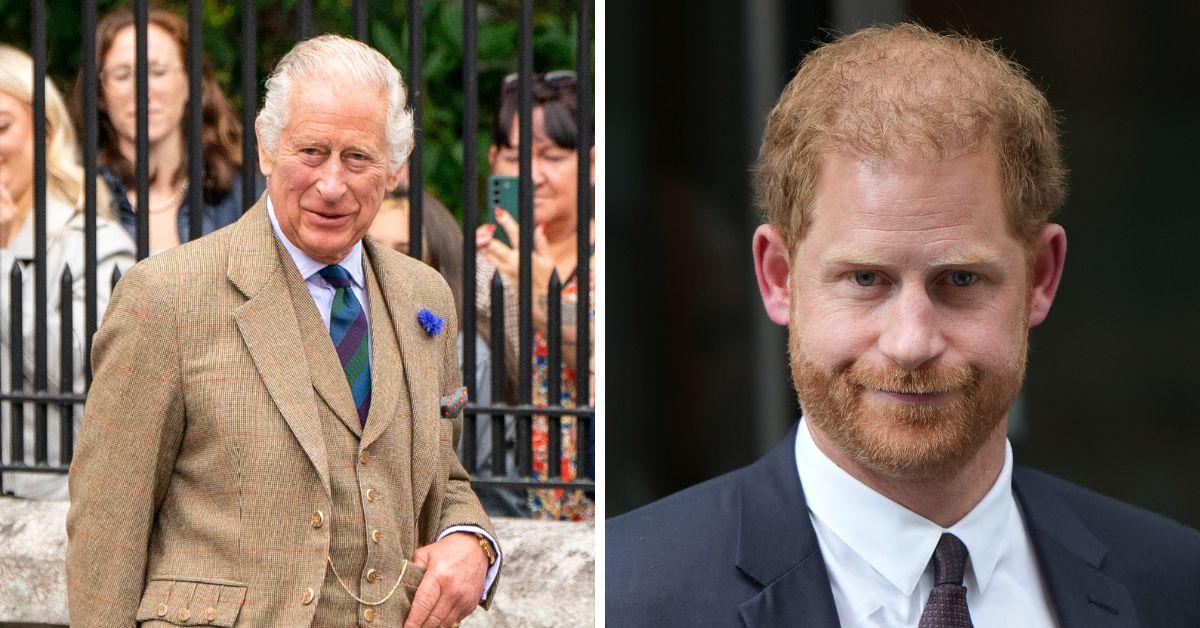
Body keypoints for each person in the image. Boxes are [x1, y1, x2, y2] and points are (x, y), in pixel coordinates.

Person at [607, 24, 1200, 627]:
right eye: (866, 279)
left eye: (961, 280)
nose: (912, 342)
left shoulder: (1176, 584)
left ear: (1041, 277)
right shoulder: (625, 595)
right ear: (779, 277)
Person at [66, 35, 500, 627]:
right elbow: (108, 524)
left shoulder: (424, 295)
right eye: (312, 151)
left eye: (358, 158)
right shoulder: (166, 295)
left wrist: (471, 540)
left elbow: (439, 475)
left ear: (395, 170)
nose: (330, 183)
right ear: (267, 149)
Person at [0, 45, 134, 500]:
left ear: (45, 131)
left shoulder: (96, 242)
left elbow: (75, 371)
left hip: (48, 505)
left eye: (1, 126)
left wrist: (2, 257)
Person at [475, 70, 595, 521]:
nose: (533, 175)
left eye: (552, 156)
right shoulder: (478, 260)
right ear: (493, 161)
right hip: (502, 510)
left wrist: (540, 291)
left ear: (591, 164)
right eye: (515, 156)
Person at [72, 6, 246, 254]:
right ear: (100, 94)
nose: (142, 90)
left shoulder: (242, 191)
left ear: (191, 83)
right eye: (122, 75)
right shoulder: (75, 194)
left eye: (157, 72)